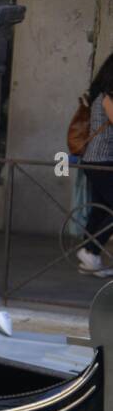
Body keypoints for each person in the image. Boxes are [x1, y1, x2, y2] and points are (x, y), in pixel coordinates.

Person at [78, 53, 113, 275]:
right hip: (101, 159)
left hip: (97, 160)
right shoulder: (108, 97)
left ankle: (89, 256)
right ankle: (90, 250)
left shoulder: (100, 95)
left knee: (101, 209)